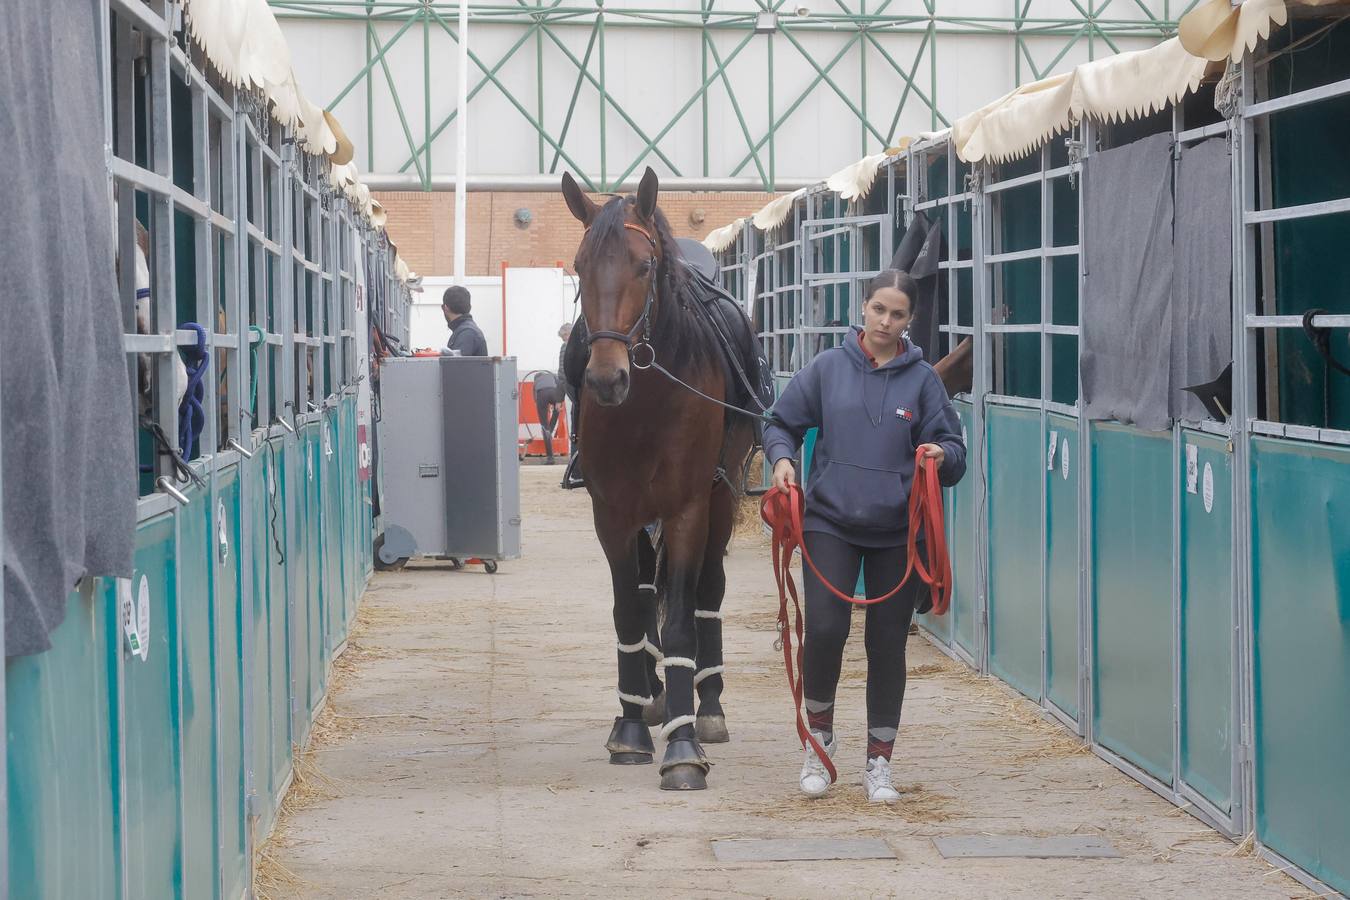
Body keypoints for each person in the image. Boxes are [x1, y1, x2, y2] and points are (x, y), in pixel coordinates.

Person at [762, 269, 967, 802]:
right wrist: (783, 460)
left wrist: (941, 454)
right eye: (879, 309)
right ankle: (819, 744)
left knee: (887, 644)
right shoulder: (829, 368)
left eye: (898, 314)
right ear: (864, 307)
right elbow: (780, 422)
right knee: (827, 631)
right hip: (828, 521)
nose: (886, 321)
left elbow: (955, 450)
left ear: (909, 320)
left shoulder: (923, 381)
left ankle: (879, 763)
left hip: (898, 531)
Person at [531, 323, 571, 464]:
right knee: (557, 410)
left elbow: (535, 397)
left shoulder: (537, 379)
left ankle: (550, 457)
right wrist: (556, 404)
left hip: (541, 395)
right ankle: (552, 428)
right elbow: (558, 382)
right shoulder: (551, 375)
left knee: (544, 424)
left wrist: (543, 406)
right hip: (555, 392)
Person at [441, 285, 488, 357]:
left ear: (446, 307)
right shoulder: (467, 331)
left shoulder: (467, 333)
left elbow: (457, 366)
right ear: (469, 307)